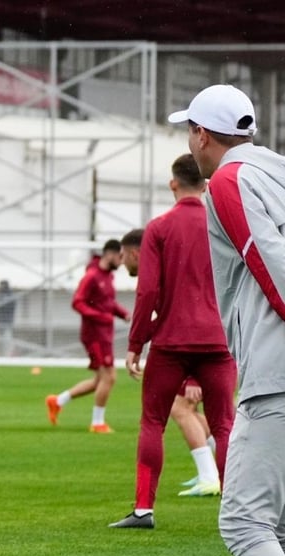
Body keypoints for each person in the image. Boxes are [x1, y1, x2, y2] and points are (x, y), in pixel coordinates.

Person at [171, 83, 285, 556]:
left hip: (276, 373)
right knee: (282, 528)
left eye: (190, 128)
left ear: (202, 135)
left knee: (244, 519)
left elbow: (270, 262)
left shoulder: (228, 182)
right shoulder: (277, 171)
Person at [109, 154, 237, 531]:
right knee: (225, 425)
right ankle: (235, 512)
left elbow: (148, 291)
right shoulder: (223, 224)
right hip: (218, 340)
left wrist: (136, 342)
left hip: (171, 341)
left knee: (153, 421)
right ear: (208, 183)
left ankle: (144, 509)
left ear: (173, 183)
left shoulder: (159, 228)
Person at [119, 230, 221, 493]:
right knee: (196, 414)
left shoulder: (166, 272)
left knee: (179, 411)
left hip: (190, 351)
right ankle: (213, 474)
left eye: (123, 256)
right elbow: (170, 316)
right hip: (205, 345)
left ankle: (210, 477)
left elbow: (189, 317)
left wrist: (193, 377)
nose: (122, 263)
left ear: (134, 253)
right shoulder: (177, 265)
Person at [45, 239, 130, 433]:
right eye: (120, 257)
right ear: (109, 254)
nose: (122, 262)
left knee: (100, 380)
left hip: (104, 333)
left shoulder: (108, 277)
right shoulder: (91, 276)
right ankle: (97, 423)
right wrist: (101, 317)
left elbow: (108, 303)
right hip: (94, 335)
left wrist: (123, 313)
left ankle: (57, 401)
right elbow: (77, 302)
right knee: (110, 377)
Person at [0, 279, 18, 356]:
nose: (0, 287)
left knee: (7, 338)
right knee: (4, 339)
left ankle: (9, 354)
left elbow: (4, 306)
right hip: (2, 321)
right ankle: (6, 353)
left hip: (7, 321)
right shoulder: (1, 295)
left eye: (1, 285)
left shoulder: (9, 295)